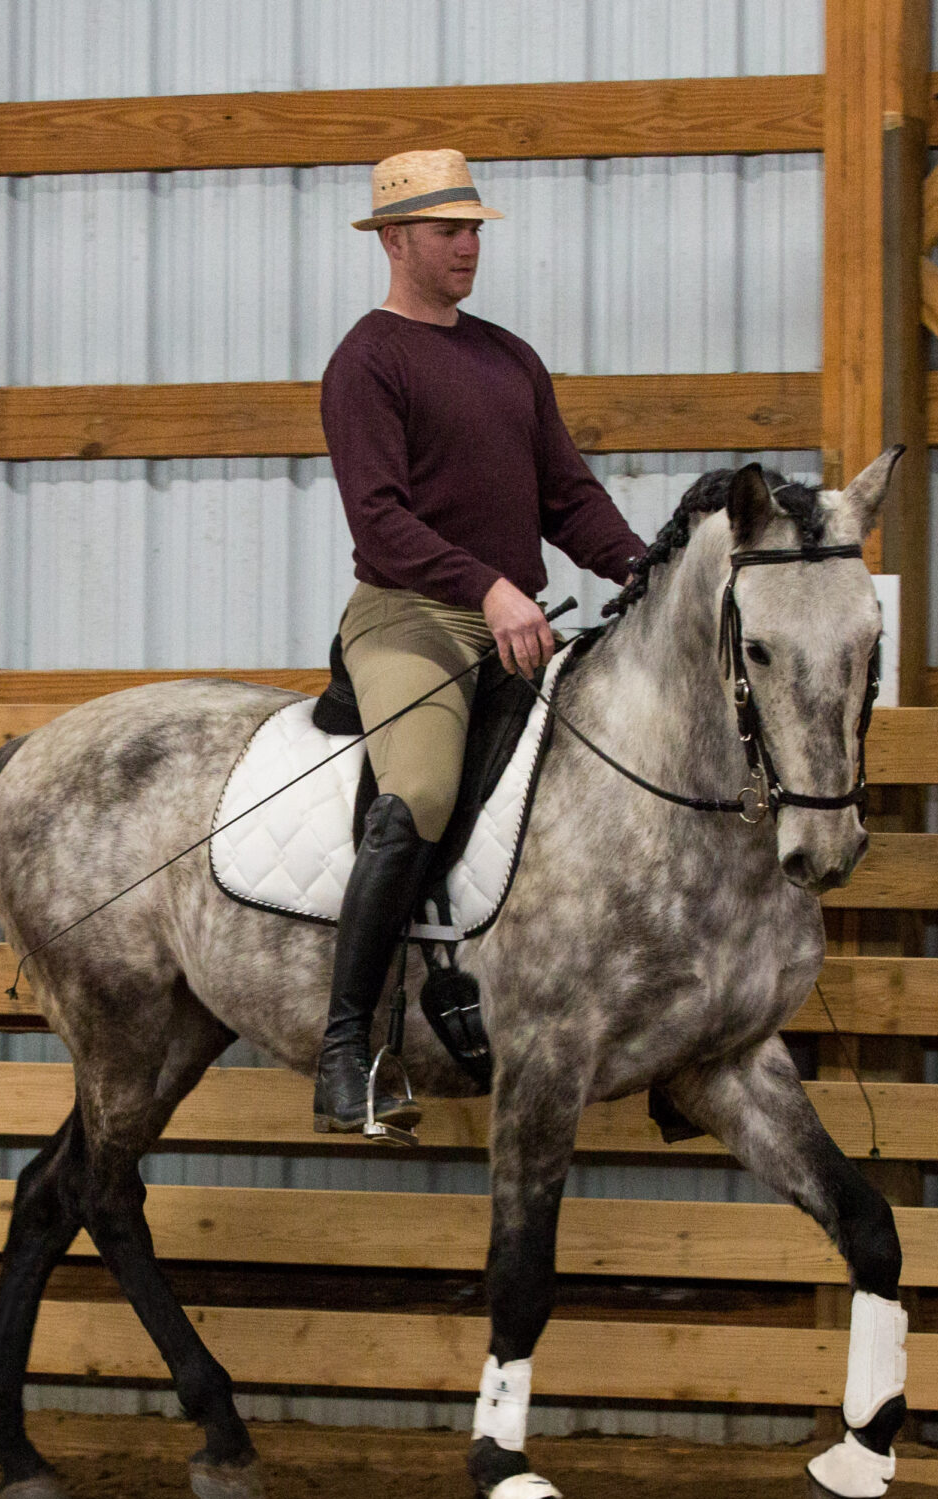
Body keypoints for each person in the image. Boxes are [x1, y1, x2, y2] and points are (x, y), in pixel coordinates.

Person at [313, 148, 649, 1135]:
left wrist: (642, 569)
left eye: (474, 230)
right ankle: (348, 1052)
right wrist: (492, 587)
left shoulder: (509, 357)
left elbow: (567, 497)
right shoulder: (367, 362)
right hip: (411, 615)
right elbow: (381, 523)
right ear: (395, 239)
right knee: (415, 793)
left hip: (516, 616)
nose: (468, 246)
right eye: (449, 231)